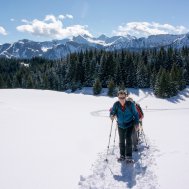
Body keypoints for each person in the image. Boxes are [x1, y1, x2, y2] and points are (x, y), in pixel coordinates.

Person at [110, 90, 139, 162]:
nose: (122, 99)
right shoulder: (116, 104)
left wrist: (136, 123)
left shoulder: (130, 104)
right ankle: (122, 155)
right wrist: (111, 115)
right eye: (120, 98)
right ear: (118, 97)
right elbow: (112, 111)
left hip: (129, 124)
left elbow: (136, 114)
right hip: (120, 125)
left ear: (126, 97)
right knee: (121, 140)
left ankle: (128, 156)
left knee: (128, 139)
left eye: (123, 98)